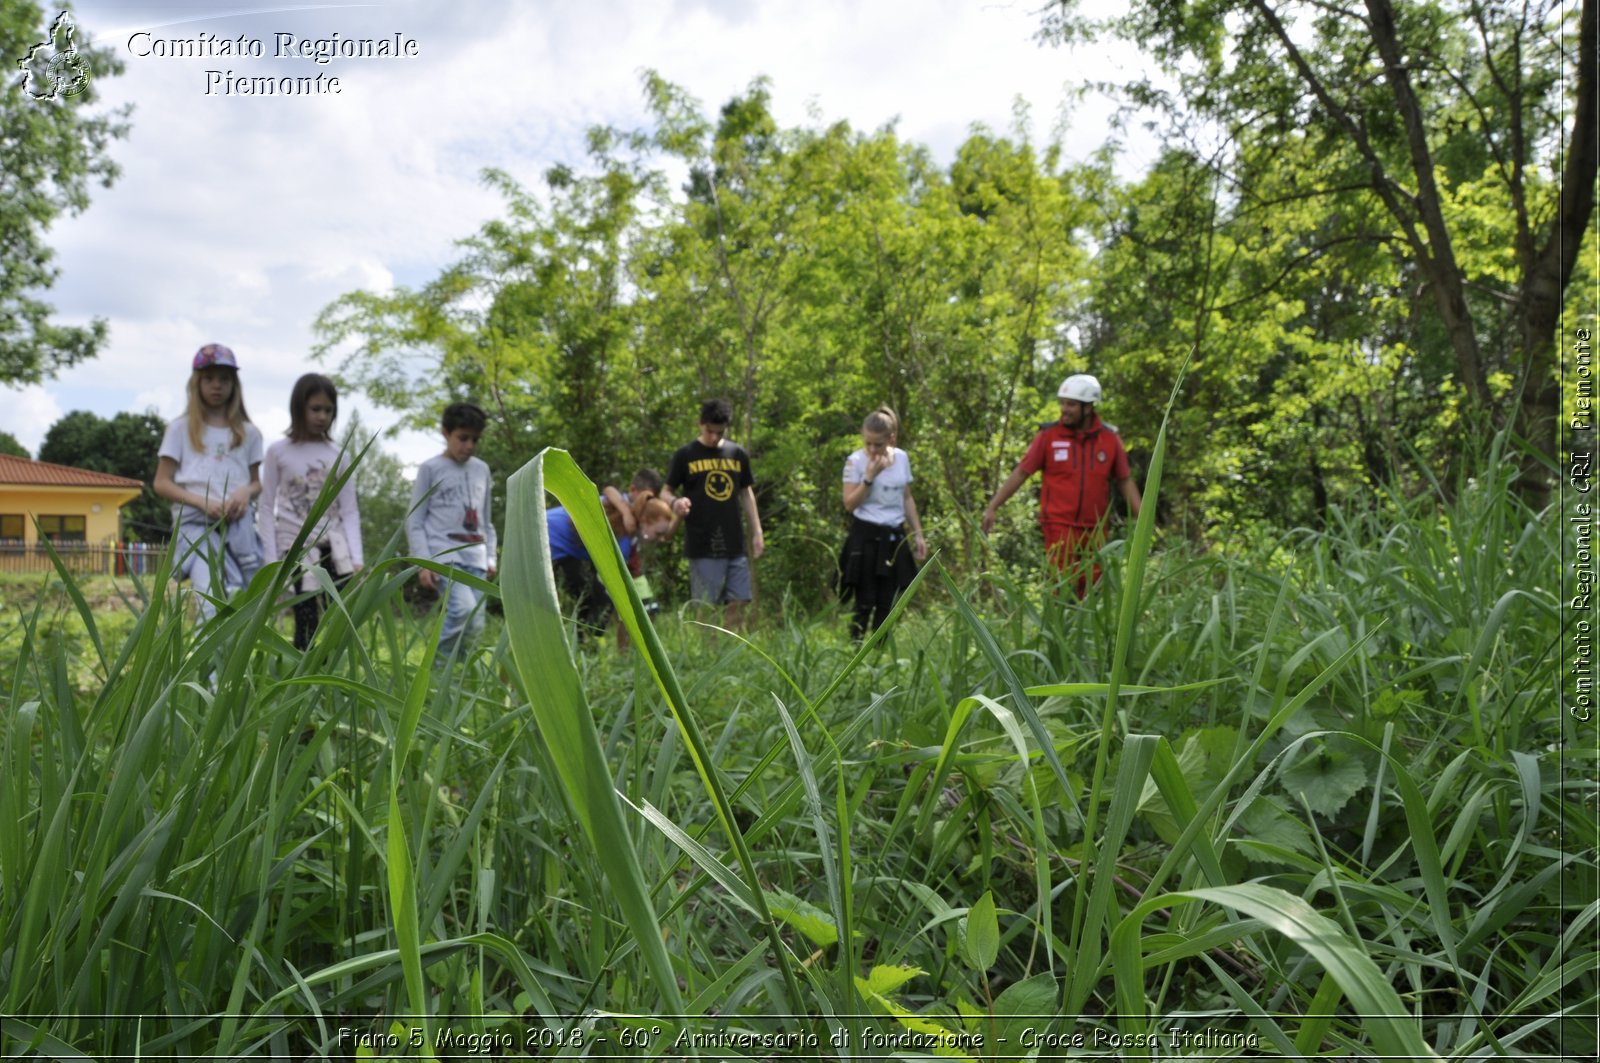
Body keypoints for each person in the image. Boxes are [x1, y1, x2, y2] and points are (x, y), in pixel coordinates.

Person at [981, 373, 1142, 597]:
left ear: (1088, 407)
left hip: (1095, 528)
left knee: (1093, 587)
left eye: (1071, 405)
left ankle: (1088, 631)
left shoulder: (1109, 439)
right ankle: (1060, 629)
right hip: (1059, 525)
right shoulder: (1048, 436)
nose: (1064, 409)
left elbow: (1125, 480)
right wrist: (993, 506)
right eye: (1063, 403)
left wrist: (1143, 518)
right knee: (1061, 585)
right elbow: (1021, 473)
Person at [153, 343, 264, 622]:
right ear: (196, 383)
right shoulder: (180, 429)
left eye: (224, 379)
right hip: (196, 525)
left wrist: (244, 492)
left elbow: (256, 483)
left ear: (234, 384)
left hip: (237, 526)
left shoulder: (249, 433)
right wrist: (202, 503)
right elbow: (162, 482)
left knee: (242, 596)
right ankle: (209, 664)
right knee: (209, 597)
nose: (217, 386)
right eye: (209, 379)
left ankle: (238, 663)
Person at [259, 373, 364, 650]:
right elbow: (267, 506)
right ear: (299, 408)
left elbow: (350, 510)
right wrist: (271, 558)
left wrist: (357, 557)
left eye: (328, 410)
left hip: (334, 548)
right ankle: (301, 679)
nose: (322, 416)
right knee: (306, 618)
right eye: (315, 409)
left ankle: (331, 677)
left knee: (338, 619)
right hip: (295, 547)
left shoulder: (338, 455)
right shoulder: (278, 451)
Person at [406, 402, 496, 659]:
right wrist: (423, 562)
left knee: (476, 624)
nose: (468, 445)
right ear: (446, 433)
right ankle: (435, 671)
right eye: (462, 438)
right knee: (462, 610)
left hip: (476, 558)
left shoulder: (481, 469)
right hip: (445, 556)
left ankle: (458, 677)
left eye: (474, 439)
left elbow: (486, 520)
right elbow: (415, 520)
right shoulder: (430, 469)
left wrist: (491, 556)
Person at [667, 398, 764, 628]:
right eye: (710, 431)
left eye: (719, 433)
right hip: (702, 541)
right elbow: (665, 491)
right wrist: (675, 503)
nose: (714, 437)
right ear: (701, 424)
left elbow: (746, 493)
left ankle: (729, 648)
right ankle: (708, 652)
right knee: (706, 605)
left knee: (740, 598)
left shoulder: (737, 454)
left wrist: (757, 531)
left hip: (734, 541)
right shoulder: (686, 454)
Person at [548, 470, 675, 639]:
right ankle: (586, 644)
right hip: (548, 537)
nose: (659, 539)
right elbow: (613, 582)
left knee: (592, 598)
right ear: (645, 522)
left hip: (559, 545)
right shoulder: (621, 538)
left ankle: (582, 643)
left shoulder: (623, 518)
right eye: (658, 533)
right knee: (600, 602)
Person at [838, 406, 927, 638]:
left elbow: (906, 497)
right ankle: (855, 651)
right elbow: (849, 504)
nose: (872, 449)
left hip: (894, 536)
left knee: (888, 602)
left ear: (892, 439)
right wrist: (869, 478)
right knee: (864, 601)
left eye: (878, 444)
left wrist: (918, 533)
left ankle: (880, 654)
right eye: (867, 443)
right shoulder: (855, 461)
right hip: (865, 535)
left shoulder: (902, 459)